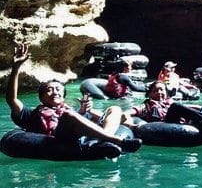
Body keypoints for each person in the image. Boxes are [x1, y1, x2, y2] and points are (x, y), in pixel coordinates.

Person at [6, 43, 142, 153]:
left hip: (80, 133)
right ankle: (115, 140)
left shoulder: (73, 110)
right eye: (49, 90)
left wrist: (88, 110)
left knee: (115, 108)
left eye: (58, 89)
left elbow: (107, 117)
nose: (55, 92)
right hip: (59, 138)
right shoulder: (31, 114)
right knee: (68, 115)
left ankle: (106, 140)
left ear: (63, 97)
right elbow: (11, 99)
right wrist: (16, 68)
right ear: (41, 98)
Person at [123, 81, 202, 133]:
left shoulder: (169, 101)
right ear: (150, 94)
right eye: (156, 90)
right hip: (167, 123)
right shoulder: (145, 106)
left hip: (184, 121)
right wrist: (130, 123)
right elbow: (127, 113)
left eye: (162, 90)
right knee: (175, 106)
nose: (159, 92)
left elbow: (189, 107)